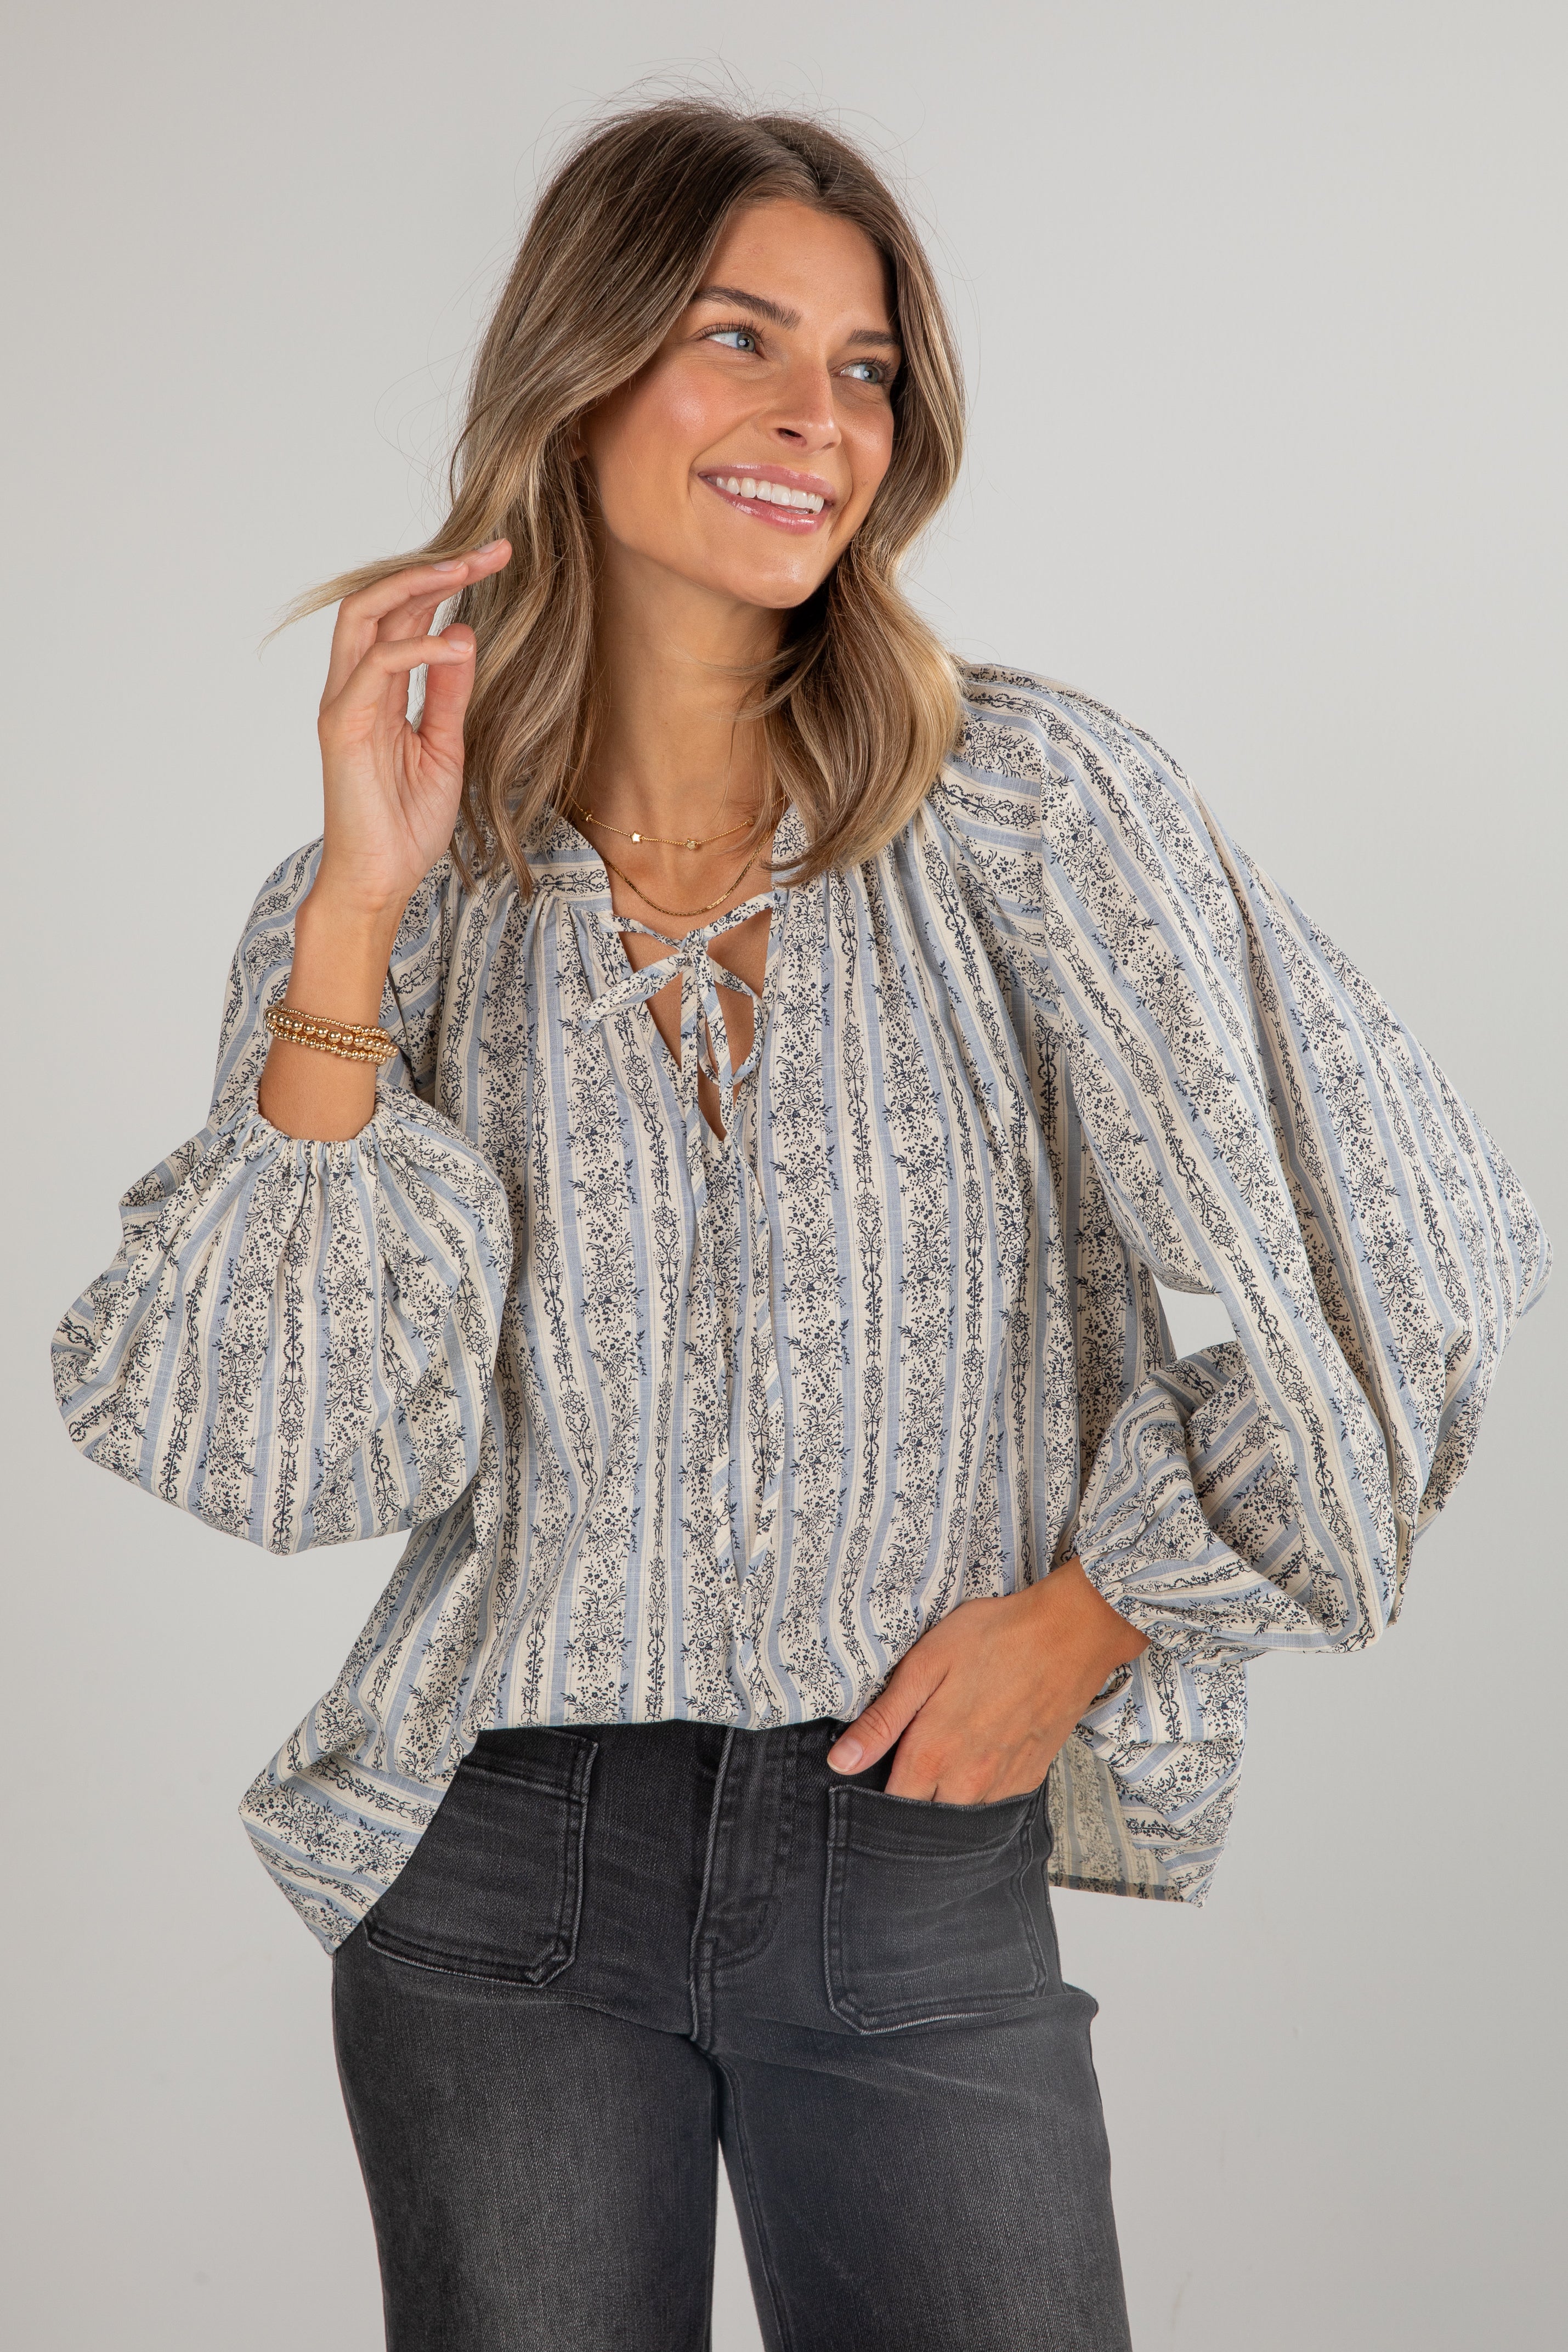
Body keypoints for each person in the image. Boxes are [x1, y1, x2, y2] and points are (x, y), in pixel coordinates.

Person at [52, 97, 1550, 2352]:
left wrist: (1104, 1607)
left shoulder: (1034, 814)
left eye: (860, 367)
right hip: (503, 1898)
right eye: (735, 337)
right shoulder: (401, 912)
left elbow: (1418, 1251)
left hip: (912, 1877)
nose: (810, 417)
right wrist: (358, 899)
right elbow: (286, 1449)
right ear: (581, 369)